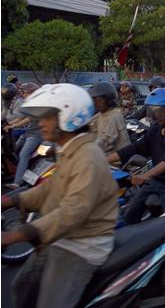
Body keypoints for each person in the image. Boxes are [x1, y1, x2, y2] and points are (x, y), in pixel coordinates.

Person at [1, 83, 119, 308]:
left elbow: (72, 211)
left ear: (68, 116)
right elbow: (50, 187)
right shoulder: (67, 148)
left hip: (82, 244)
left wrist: (14, 236)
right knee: (23, 286)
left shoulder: (88, 156)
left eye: (47, 117)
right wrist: (10, 200)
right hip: (60, 236)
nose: (41, 123)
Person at [107, 88, 165, 224]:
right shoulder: (155, 130)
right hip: (157, 181)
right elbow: (134, 148)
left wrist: (146, 175)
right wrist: (102, 160)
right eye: (153, 110)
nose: (155, 115)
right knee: (130, 213)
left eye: (160, 111)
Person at [4, 83, 42, 189]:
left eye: (24, 92)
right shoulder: (29, 103)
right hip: (28, 132)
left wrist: (13, 126)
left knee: (23, 154)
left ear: (32, 93)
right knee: (13, 150)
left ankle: (17, 182)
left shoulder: (38, 104)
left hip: (36, 134)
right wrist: (8, 125)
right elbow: (21, 117)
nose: (22, 95)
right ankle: (16, 172)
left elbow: (29, 119)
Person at [89, 82, 130, 155]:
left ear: (109, 99)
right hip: (104, 157)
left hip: (118, 162)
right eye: (93, 99)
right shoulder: (99, 115)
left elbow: (107, 139)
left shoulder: (115, 115)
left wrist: (89, 149)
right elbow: (90, 131)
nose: (95, 102)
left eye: (99, 99)